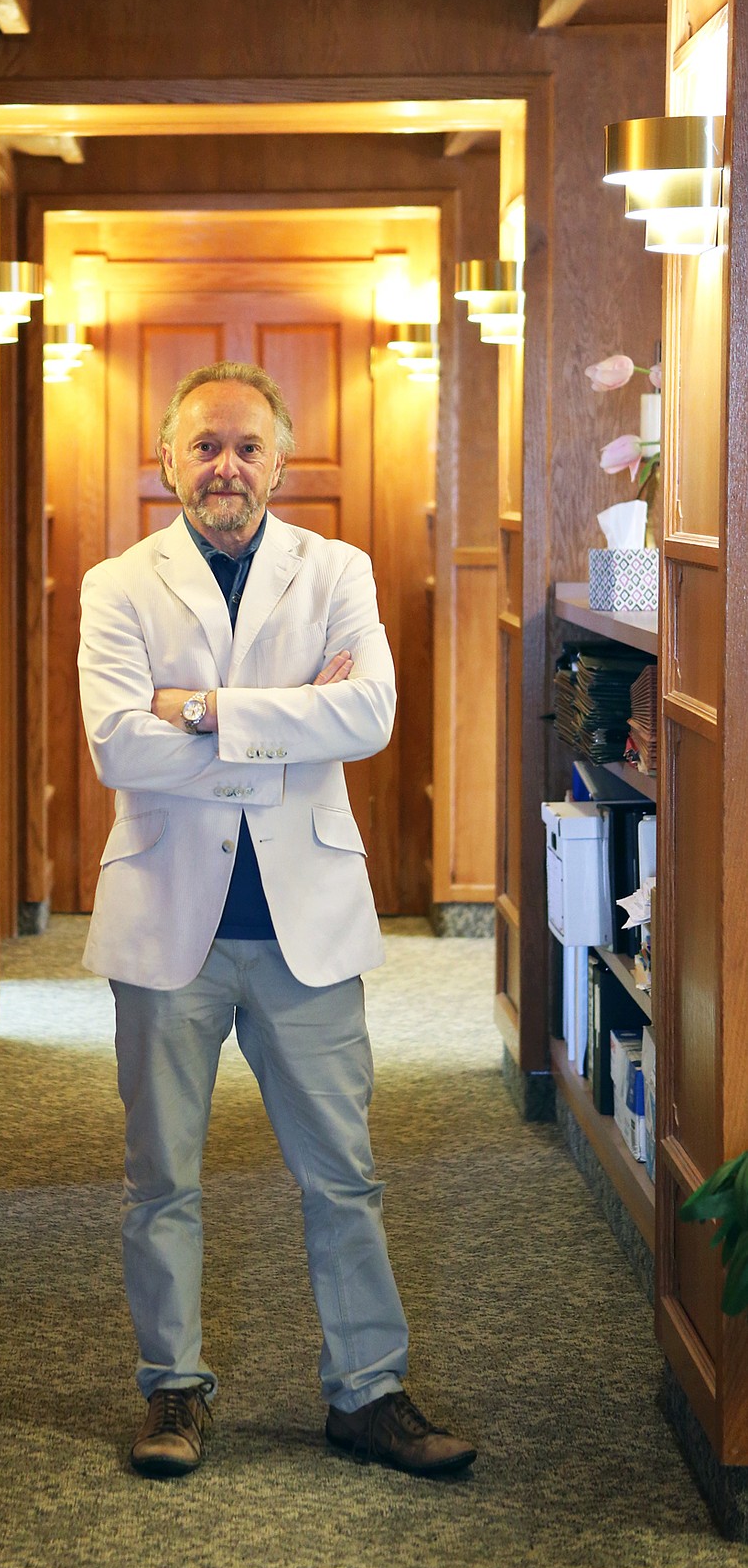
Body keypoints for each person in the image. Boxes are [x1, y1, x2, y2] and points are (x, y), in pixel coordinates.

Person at [77, 360, 476, 1481]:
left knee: (343, 1170)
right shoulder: (120, 585)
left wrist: (198, 710)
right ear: (167, 461)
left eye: (248, 447)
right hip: (169, 922)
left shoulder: (336, 569)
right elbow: (117, 742)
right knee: (162, 1174)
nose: (226, 467)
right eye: (205, 446)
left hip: (306, 918)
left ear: (280, 463)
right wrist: (287, 721)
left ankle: (370, 1390)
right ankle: (174, 1390)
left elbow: (368, 714)